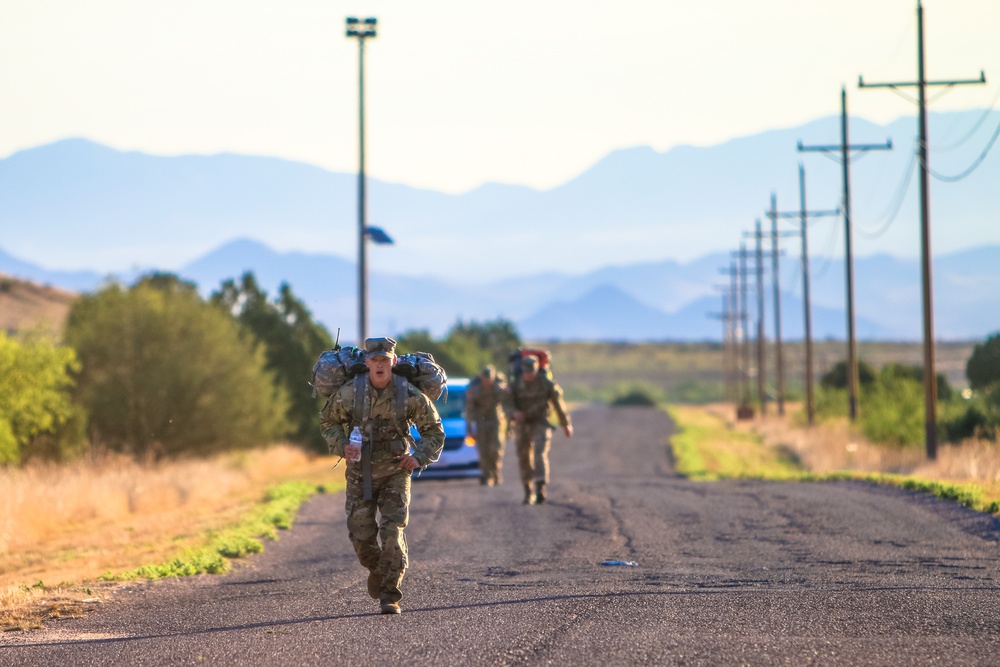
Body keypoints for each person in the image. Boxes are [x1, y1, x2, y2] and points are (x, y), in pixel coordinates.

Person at [320, 336, 444, 615]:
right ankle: (379, 569)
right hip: (359, 473)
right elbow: (327, 422)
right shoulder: (351, 393)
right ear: (366, 363)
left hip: (396, 471)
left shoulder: (409, 394)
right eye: (374, 360)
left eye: (384, 361)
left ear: (393, 362)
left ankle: (390, 594)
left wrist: (418, 457)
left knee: (392, 532)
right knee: (361, 537)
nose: (379, 365)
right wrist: (342, 445)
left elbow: (434, 431)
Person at [505, 354, 573, 505]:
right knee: (524, 457)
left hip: (540, 422)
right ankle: (528, 491)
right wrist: (514, 413)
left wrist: (565, 424)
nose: (529, 374)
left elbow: (558, 404)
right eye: (526, 371)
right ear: (522, 370)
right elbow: (506, 405)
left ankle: (540, 488)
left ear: (536, 370)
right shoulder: (515, 385)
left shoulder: (546, 384)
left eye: (532, 371)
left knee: (539, 454)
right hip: (522, 424)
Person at [465, 364, 509, 487]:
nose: (487, 382)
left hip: (495, 420)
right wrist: (470, 425)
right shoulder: (476, 390)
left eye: (489, 379)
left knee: (495, 448)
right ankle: (486, 474)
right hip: (481, 421)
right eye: (485, 379)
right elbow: (470, 408)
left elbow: (506, 399)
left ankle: (496, 472)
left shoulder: (497, 388)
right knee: (483, 449)